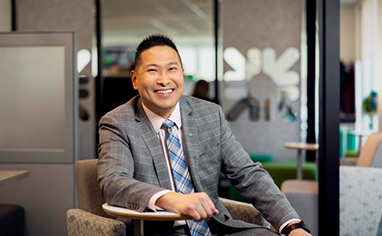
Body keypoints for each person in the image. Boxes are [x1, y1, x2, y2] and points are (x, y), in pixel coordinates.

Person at [97, 34, 312, 236]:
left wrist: (292, 225)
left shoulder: (210, 115)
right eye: (153, 71)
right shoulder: (118, 123)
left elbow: (248, 174)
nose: (164, 80)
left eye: (172, 69)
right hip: (161, 231)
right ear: (135, 80)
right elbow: (114, 182)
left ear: (182, 73)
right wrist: (171, 200)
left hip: (216, 228)